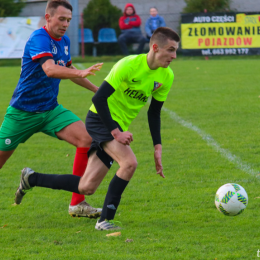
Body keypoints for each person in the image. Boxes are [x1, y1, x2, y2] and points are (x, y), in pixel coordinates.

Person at [14, 27, 180, 231]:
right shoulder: (128, 65)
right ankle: (105, 221)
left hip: (115, 126)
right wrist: (116, 132)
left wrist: (158, 146)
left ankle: (31, 178)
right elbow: (99, 98)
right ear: (155, 47)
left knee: (87, 186)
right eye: (171, 50)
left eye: (175, 51)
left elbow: (154, 113)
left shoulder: (167, 75)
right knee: (129, 163)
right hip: (101, 119)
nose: (174, 56)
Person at [0, 0, 102, 218]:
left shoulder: (64, 41)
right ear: (48, 18)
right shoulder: (39, 38)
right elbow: (49, 69)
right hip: (22, 113)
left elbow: (68, 68)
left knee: (86, 139)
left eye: (68, 20)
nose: (65, 24)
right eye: (61, 19)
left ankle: (77, 204)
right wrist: (78, 73)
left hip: (50, 110)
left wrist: (97, 90)